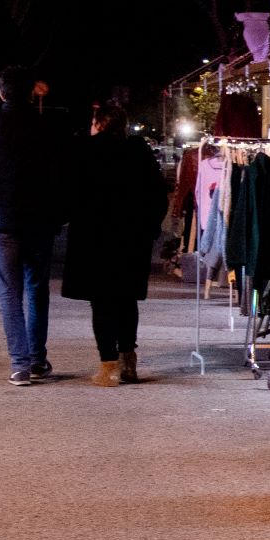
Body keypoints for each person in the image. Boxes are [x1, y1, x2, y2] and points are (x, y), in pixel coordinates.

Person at [62, 104, 168, 385]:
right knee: (126, 299)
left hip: (93, 238)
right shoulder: (138, 151)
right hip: (132, 239)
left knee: (101, 302)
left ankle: (108, 367)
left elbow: (70, 193)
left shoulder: (84, 150)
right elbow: (158, 194)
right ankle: (128, 361)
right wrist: (150, 229)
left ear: (97, 123)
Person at [0, 65, 66, 385]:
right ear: (30, 93)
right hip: (40, 219)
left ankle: (20, 364)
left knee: (8, 292)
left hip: (1, 219)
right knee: (37, 288)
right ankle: (38, 358)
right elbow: (59, 176)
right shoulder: (49, 127)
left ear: (1, 92)